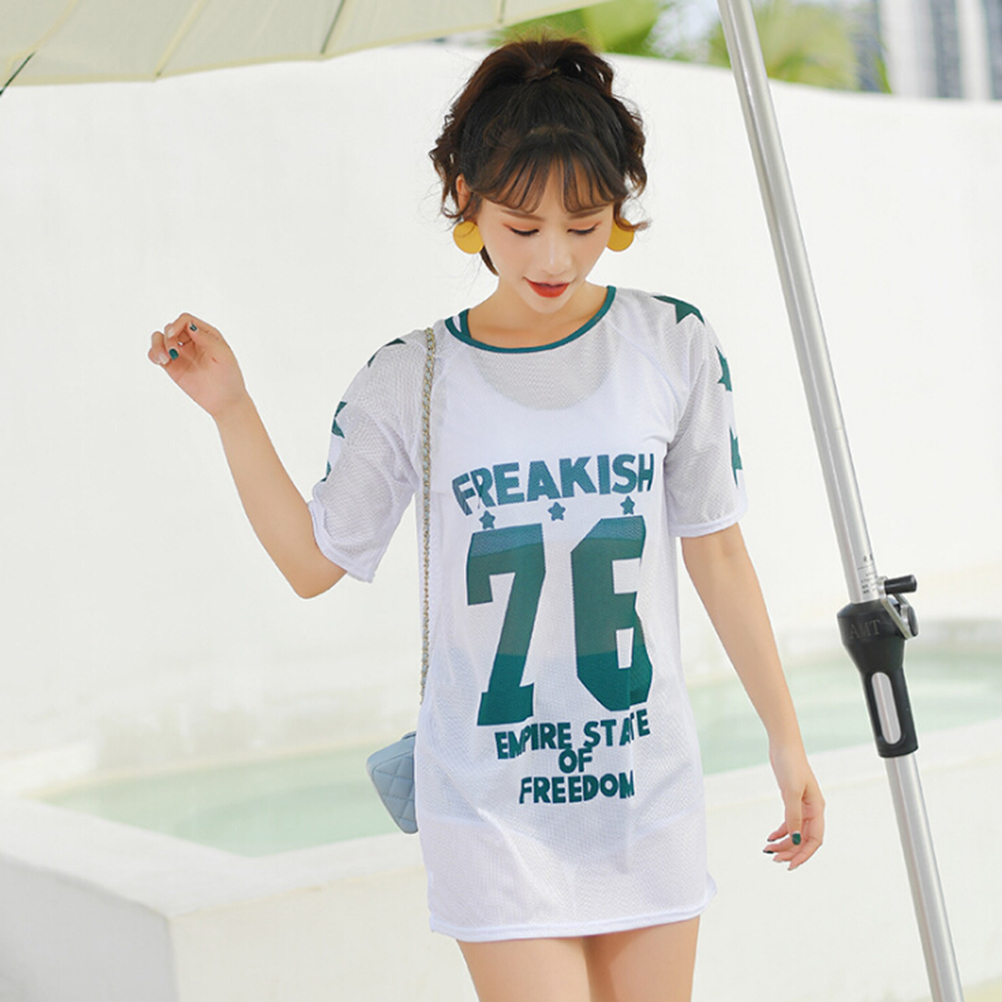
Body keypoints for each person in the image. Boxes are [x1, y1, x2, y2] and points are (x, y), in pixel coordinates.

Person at [148, 36, 824, 1002]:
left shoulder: (671, 343)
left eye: (584, 225)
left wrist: (785, 740)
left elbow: (717, 553)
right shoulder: (410, 377)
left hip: (646, 793)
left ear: (619, 210)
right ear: (467, 202)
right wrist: (232, 408)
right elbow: (311, 562)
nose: (554, 256)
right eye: (522, 224)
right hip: (490, 808)